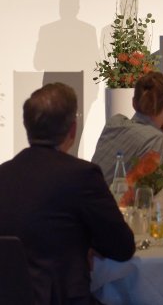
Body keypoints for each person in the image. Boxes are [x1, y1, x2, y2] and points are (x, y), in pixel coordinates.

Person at [0, 83, 135, 305]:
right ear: (72, 129)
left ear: (27, 126)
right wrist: (87, 244)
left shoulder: (3, 175)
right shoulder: (82, 175)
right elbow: (122, 247)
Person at [92, 71, 163, 185]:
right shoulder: (157, 139)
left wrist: (162, 132)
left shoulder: (114, 122)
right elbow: (145, 194)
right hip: (112, 203)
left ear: (133, 103)